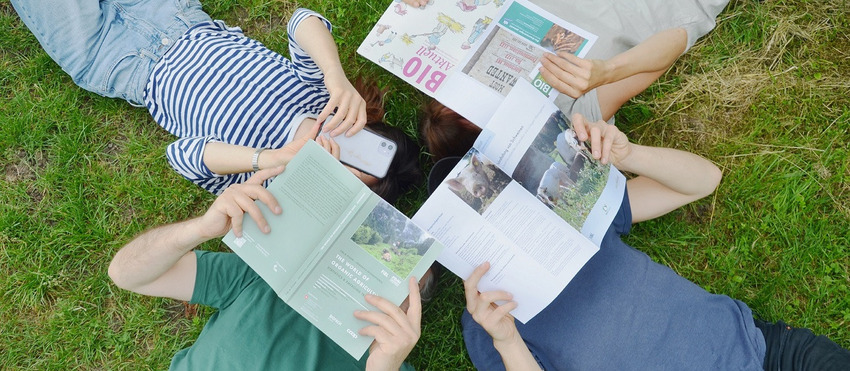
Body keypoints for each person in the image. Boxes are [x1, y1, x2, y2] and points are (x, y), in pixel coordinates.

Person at [455, 117, 850, 370]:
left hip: (766, 355)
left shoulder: (574, 217)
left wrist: (631, 155)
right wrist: (506, 340)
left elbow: (704, 180)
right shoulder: (488, 323)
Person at [11, 2, 420, 201]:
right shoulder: (320, 98)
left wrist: (270, 159)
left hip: (115, 61)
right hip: (171, 16)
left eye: (342, 173)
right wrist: (336, 76)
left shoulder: (273, 177)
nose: (337, 156)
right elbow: (301, 20)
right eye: (360, 152)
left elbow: (182, 155)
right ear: (364, 125)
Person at [108, 168, 422, 370]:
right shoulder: (261, 278)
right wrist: (200, 229)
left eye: (406, 281)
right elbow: (125, 273)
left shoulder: (385, 359)